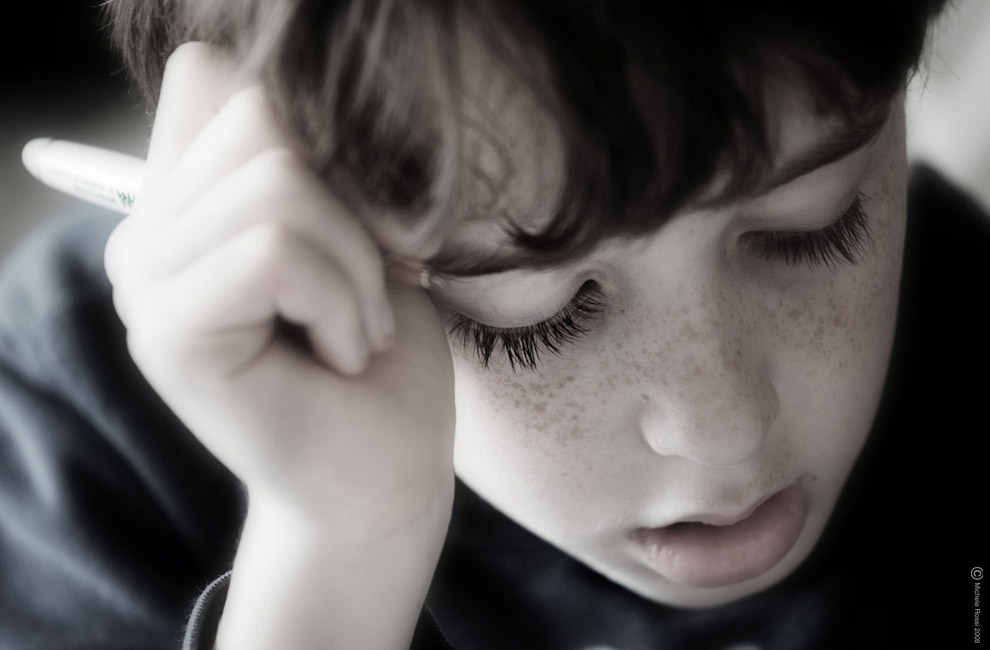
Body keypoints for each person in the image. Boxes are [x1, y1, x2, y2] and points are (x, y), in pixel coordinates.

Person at [0, 1, 985, 648]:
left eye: (814, 227)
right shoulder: (82, 440)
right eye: (535, 315)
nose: (722, 424)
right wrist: (335, 554)